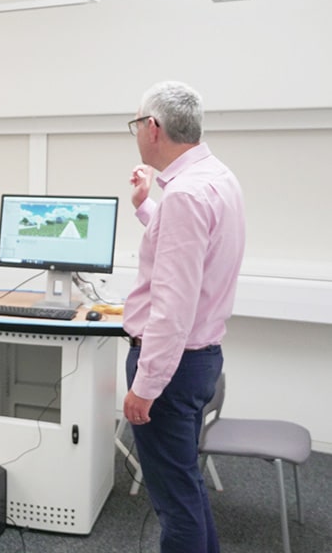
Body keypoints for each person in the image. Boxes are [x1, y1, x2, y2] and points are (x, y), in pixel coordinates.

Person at [122, 81, 245, 553]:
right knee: (185, 486)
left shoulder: (186, 195)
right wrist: (144, 206)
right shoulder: (217, 179)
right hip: (199, 360)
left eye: (136, 125)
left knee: (174, 503)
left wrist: (146, 385)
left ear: (152, 128)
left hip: (170, 369)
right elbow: (190, 251)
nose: (135, 134)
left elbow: (172, 308)